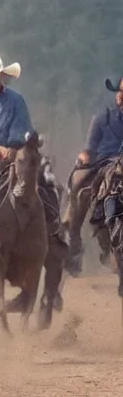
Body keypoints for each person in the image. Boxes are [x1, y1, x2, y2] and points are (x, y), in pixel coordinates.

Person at [0, 51, 67, 248]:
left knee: (46, 182)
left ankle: (53, 227)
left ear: (0, 77)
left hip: (17, 155)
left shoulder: (16, 101)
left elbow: (22, 130)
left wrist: (8, 148)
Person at [63, 77, 123, 273]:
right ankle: (73, 239)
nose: (121, 96)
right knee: (78, 183)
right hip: (101, 163)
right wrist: (85, 156)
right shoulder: (102, 118)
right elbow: (90, 148)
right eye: (120, 91)